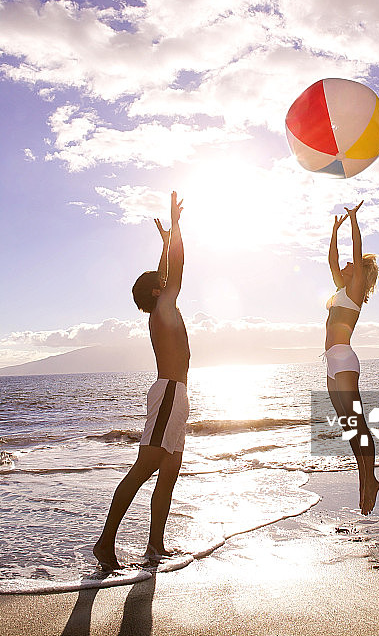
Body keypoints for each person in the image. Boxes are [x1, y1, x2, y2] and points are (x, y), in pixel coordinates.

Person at [93, 191, 190, 570]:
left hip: (178, 397)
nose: (167, 282)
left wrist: (164, 243)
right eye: (161, 282)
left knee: (168, 475)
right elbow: (176, 271)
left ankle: (155, 546)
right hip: (168, 394)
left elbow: (164, 274)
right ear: (156, 291)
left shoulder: (161, 306)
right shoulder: (164, 306)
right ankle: (105, 543)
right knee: (143, 469)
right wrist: (177, 228)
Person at [325, 201, 379, 515]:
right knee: (348, 425)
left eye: (352, 264)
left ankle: (370, 478)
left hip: (345, 360)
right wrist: (334, 231)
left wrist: (353, 221)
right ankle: (363, 478)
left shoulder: (355, 287)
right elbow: (332, 259)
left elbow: (356, 250)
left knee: (357, 422)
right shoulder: (341, 287)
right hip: (331, 363)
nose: (347, 264)